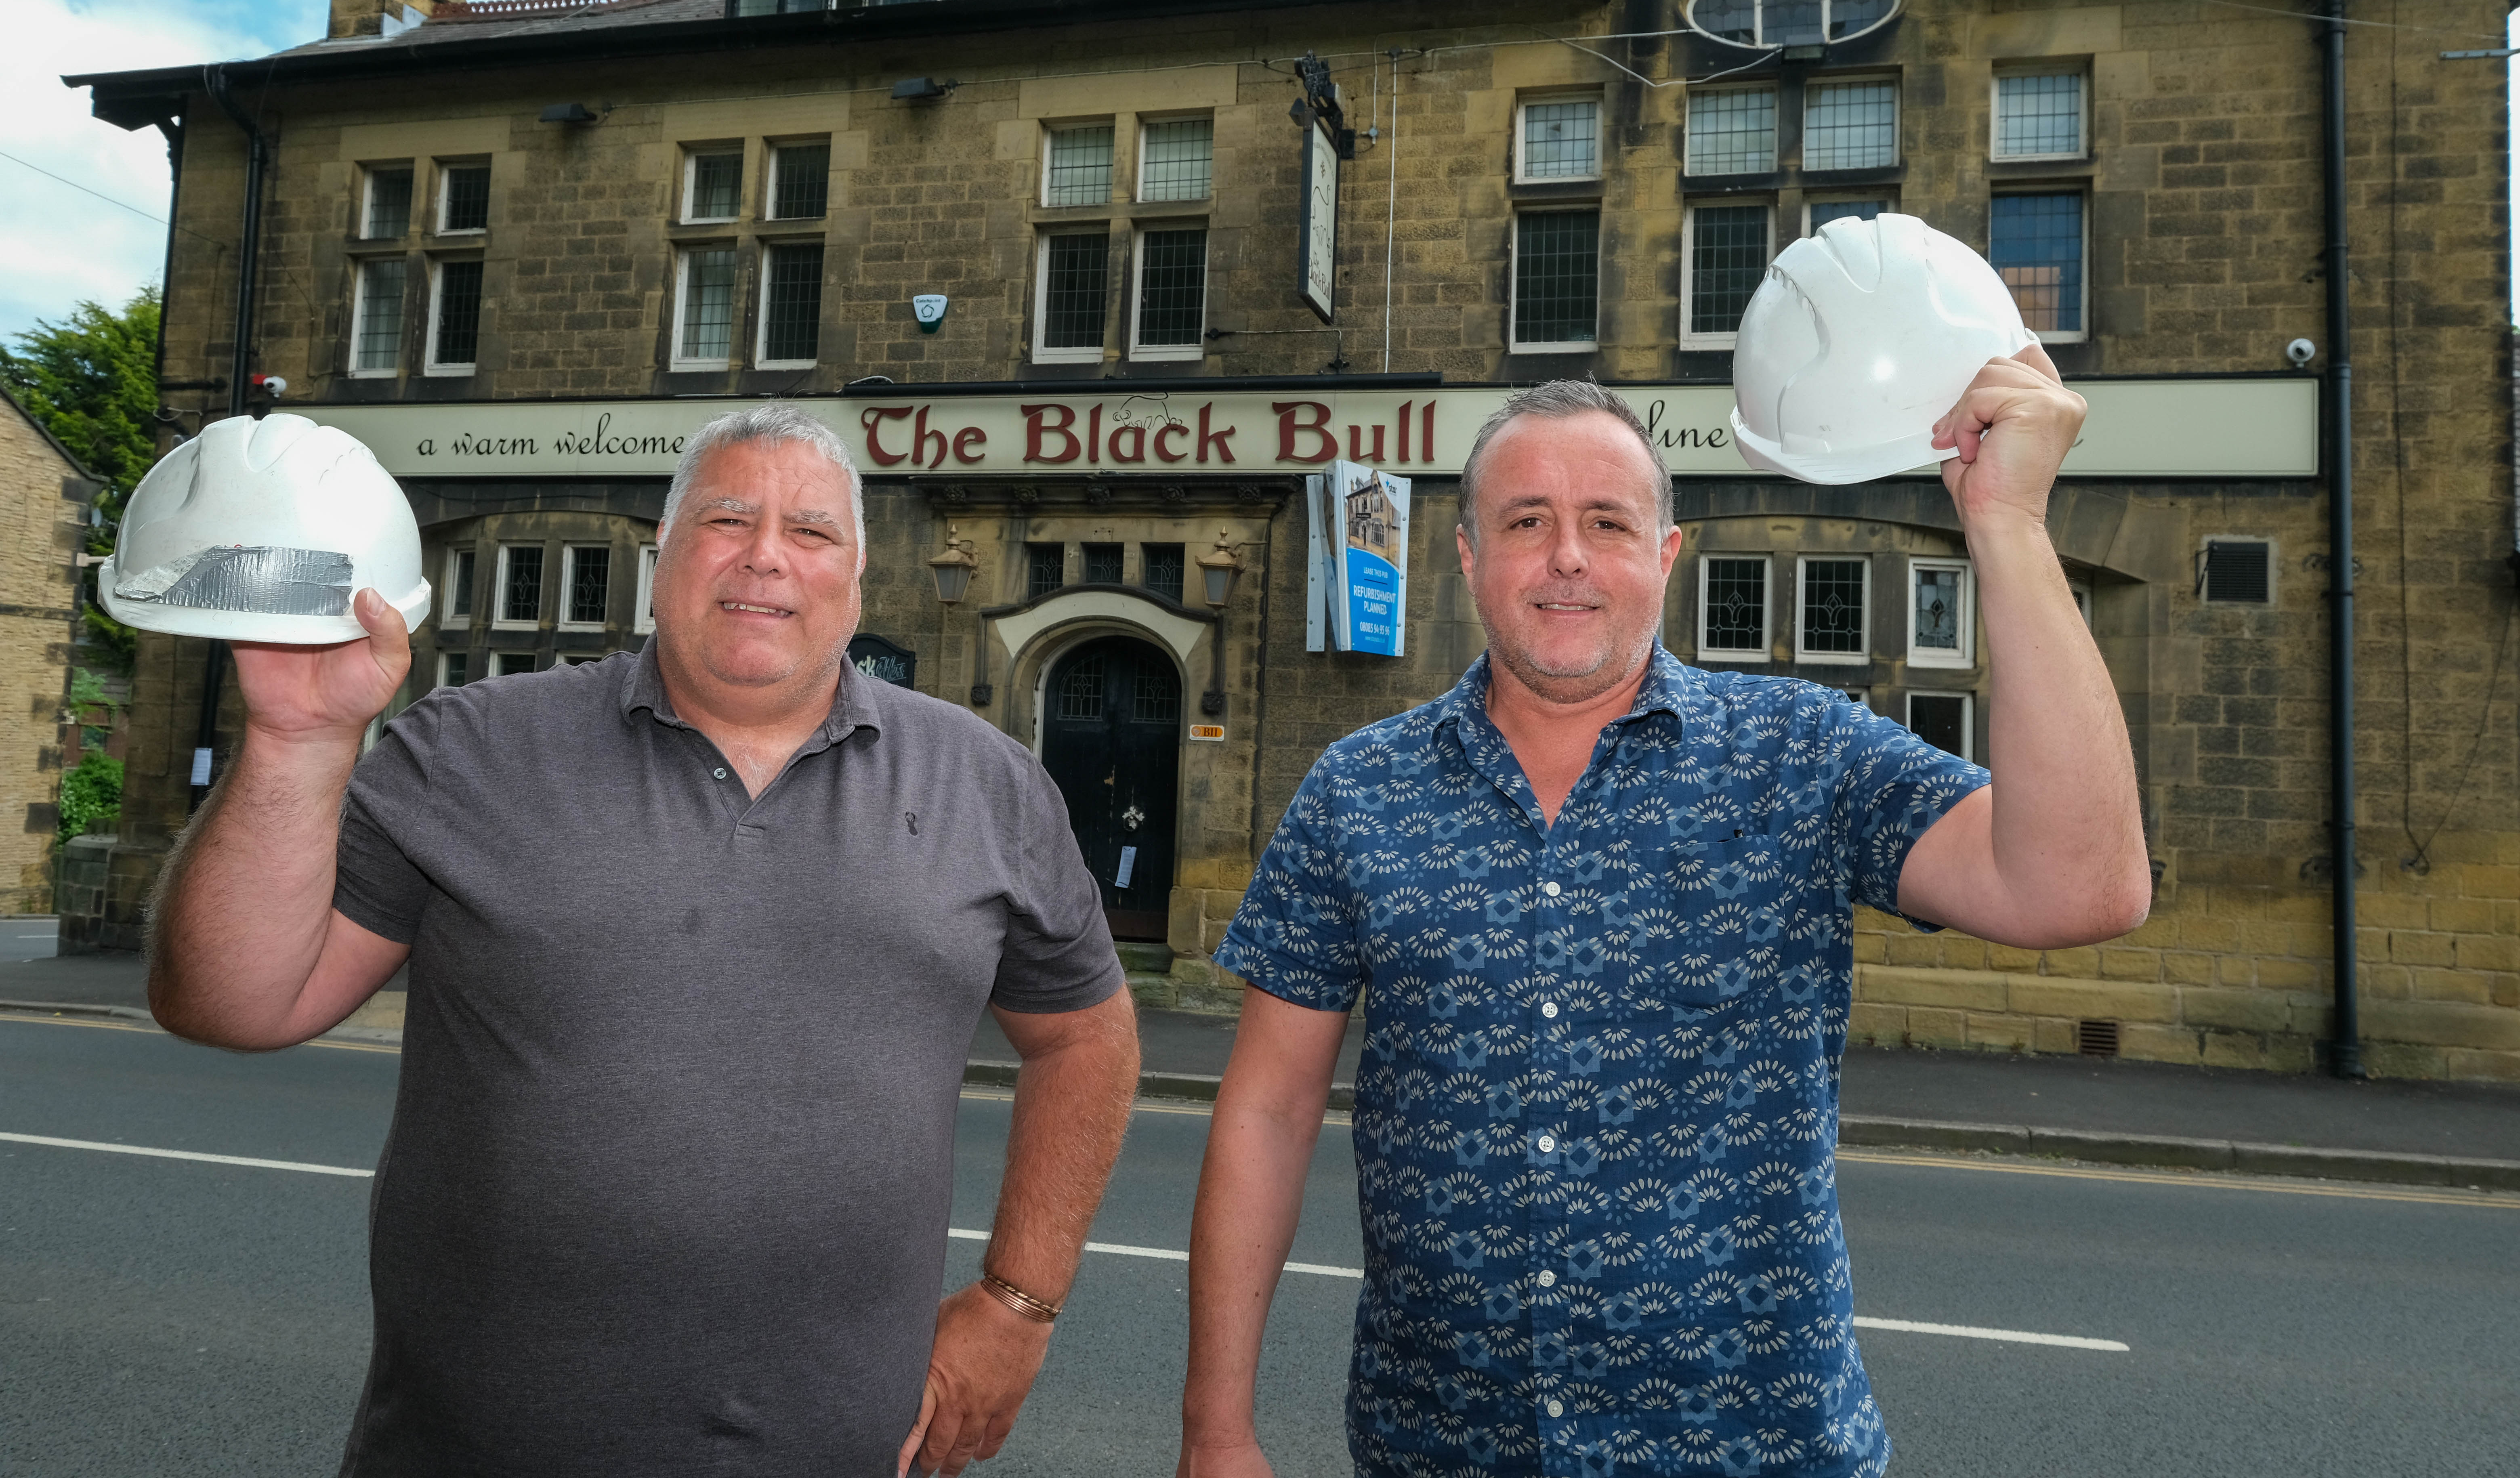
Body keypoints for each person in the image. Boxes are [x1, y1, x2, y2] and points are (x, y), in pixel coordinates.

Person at [1179, 366, 2150, 1478]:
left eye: (1607, 521)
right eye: (1526, 521)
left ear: (1667, 556)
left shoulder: (1803, 757)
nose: (1568, 558)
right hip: (1437, 1450)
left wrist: (2010, 525)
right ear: (1466, 555)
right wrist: (1217, 1431)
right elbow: (1267, 1111)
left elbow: (2084, 886)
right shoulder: (1360, 791)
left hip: (1759, 1454)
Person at [149, 403, 1140, 1478]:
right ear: (662, 558)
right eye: (726, 519)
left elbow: (1089, 1041)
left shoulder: (986, 785)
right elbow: (231, 1004)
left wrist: (1019, 1304)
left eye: (811, 533)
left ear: (858, 579)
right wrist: (300, 740)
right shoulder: (471, 749)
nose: (766, 555)